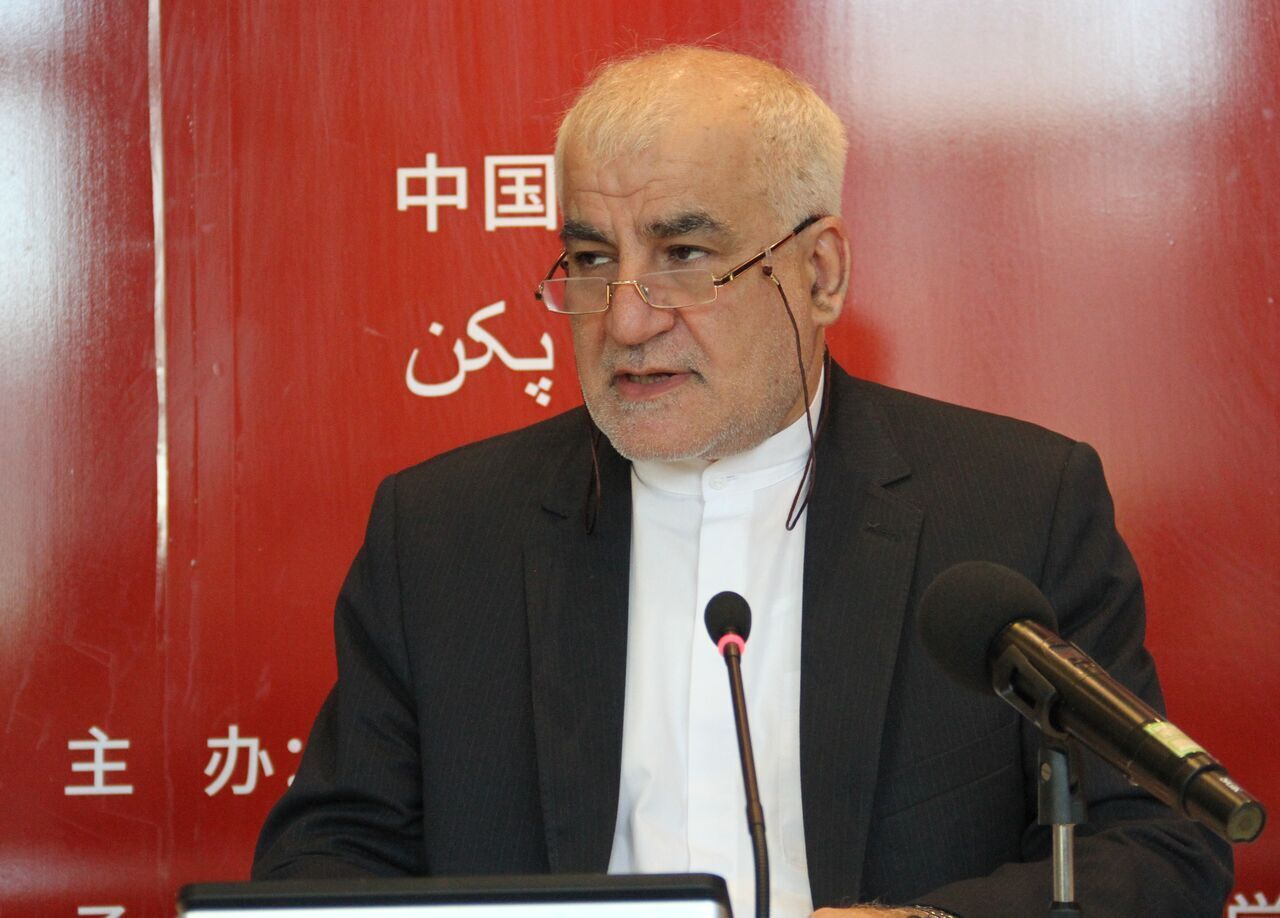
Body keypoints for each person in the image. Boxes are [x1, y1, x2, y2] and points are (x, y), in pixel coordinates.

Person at [253, 46, 1232, 917]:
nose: (625, 320)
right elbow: (323, 864)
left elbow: (1155, 846)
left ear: (820, 273)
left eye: (684, 254)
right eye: (591, 258)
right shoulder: (441, 532)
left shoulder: (1016, 506)